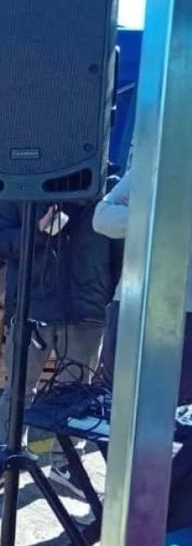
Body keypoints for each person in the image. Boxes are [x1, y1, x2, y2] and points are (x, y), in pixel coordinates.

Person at [0, 199, 112, 497]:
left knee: (77, 392)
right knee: (19, 387)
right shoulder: (25, 182)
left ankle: (66, 466)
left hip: (86, 309)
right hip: (32, 306)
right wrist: (36, 230)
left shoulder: (106, 184)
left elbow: (123, 246)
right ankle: (7, 455)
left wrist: (109, 294)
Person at [92, 169, 192, 405]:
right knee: (120, 392)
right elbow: (102, 217)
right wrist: (159, 218)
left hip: (185, 309)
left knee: (182, 402)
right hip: (131, 303)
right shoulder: (149, 166)